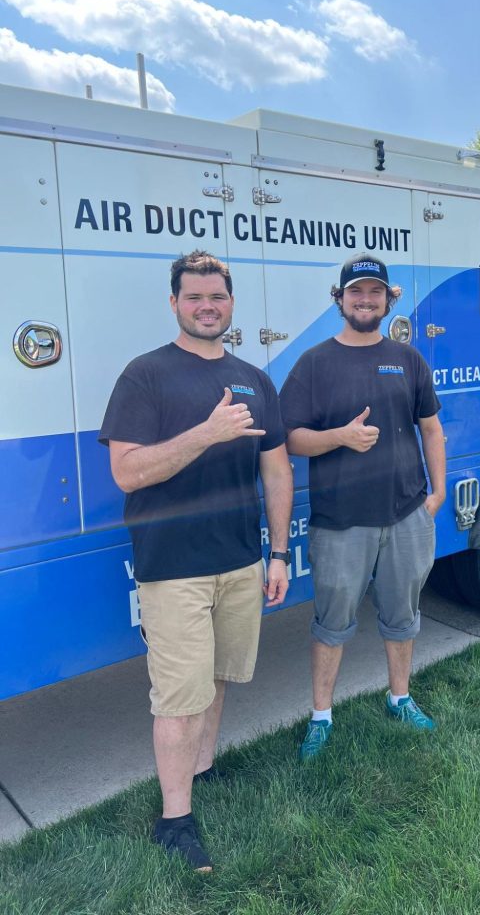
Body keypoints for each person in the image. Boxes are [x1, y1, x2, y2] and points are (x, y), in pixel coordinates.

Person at [99, 250, 292, 872]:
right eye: (194, 297)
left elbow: (276, 470)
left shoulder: (254, 379)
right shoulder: (145, 376)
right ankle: (174, 819)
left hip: (239, 561)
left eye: (217, 296)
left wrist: (280, 552)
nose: (207, 306)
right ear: (175, 303)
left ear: (231, 303)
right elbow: (127, 472)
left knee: (215, 680)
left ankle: (202, 774)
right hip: (174, 566)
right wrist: (206, 433)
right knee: (178, 697)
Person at [279, 253, 446, 760]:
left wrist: (435, 497)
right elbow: (290, 440)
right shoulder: (315, 363)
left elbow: (432, 429)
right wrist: (341, 438)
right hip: (340, 522)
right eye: (356, 292)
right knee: (332, 624)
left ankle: (400, 697)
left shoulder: (408, 358)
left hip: (406, 515)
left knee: (403, 616)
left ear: (388, 298)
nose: (365, 300)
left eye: (375, 292)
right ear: (340, 300)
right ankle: (321, 716)